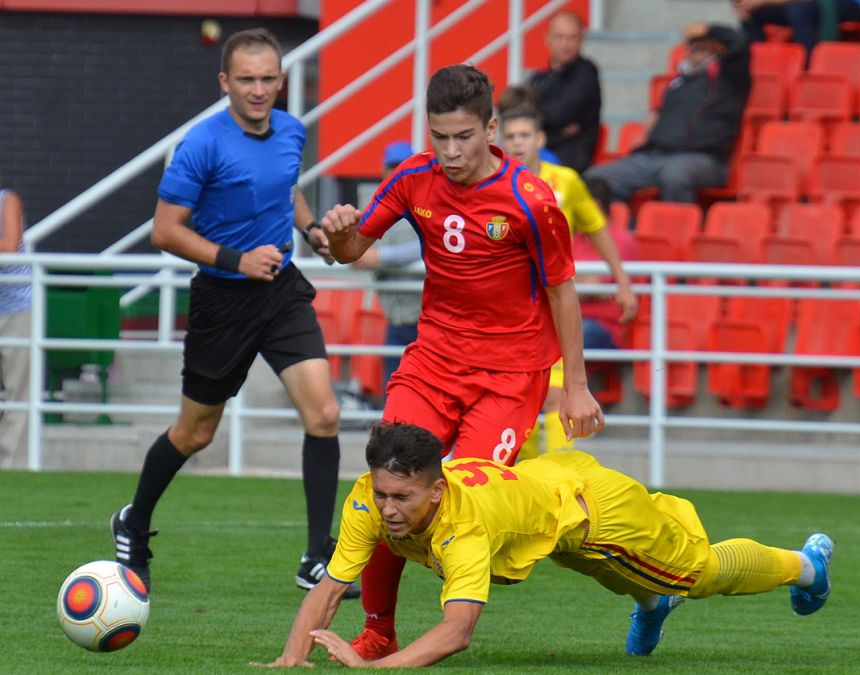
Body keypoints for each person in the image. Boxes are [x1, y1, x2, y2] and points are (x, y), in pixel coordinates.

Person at [318, 64, 605, 660]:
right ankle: (378, 631)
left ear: (490, 128)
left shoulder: (531, 200)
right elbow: (351, 252)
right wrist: (339, 232)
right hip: (434, 362)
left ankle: (622, 574)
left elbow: (563, 290)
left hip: (509, 377)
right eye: (439, 136)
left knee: (466, 505)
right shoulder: (413, 178)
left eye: (463, 137)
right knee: (391, 486)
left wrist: (575, 387)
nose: (449, 152)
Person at [108, 28, 357, 599]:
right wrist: (236, 259)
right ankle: (133, 521)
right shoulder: (202, 144)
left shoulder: (292, 131)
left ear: (282, 79)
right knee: (196, 432)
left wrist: (312, 228)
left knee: (324, 414)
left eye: (268, 78)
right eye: (246, 79)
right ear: (225, 82)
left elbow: (285, 190)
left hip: (281, 290)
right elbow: (165, 231)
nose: (258, 89)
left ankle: (316, 559)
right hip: (223, 299)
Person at [263, 422, 835, 667]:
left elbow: (457, 632)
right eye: (383, 493)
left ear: (437, 489)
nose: (389, 508)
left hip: (594, 511)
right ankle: (652, 603)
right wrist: (292, 656)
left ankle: (803, 566)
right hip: (547, 506)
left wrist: (376, 670)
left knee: (698, 575)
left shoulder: (463, 528)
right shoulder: (366, 496)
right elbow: (332, 586)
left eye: (403, 497)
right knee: (607, 575)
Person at [498, 104, 637, 458]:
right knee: (520, 403)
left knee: (558, 394)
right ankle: (524, 484)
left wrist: (622, 281)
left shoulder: (567, 181)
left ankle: (565, 484)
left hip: (556, 305)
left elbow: (597, 227)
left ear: (540, 139)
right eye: (510, 136)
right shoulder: (493, 183)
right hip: (509, 310)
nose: (517, 143)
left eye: (524, 135)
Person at [584, 22, 750, 205]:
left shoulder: (727, 79)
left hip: (703, 158)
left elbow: (740, 43)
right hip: (654, 155)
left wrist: (708, 30)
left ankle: (677, 230)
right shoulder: (678, 83)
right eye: (694, 44)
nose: (697, 49)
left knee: (674, 174)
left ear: (716, 49)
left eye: (704, 45)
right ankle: (622, 228)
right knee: (597, 178)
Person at [350, 141, 424, 394]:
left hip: (427, 320)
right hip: (394, 318)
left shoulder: (426, 202)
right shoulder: (378, 205)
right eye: (391, 167)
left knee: (428, 397)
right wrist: (353, 252)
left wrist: (380, 257)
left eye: (402, 166)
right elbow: (358, 249)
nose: (396, 173)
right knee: (394, 396)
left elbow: (426, 249)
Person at [528, 10, 602, 174]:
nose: (565, 44)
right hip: (541, 150)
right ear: (547, 38)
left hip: (570, 158)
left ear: (581, 40)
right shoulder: (539, 78)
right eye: (559, 37)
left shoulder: (587, 73)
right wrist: (558, 131)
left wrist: (540, 120)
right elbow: (518, 110)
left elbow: (558, 114)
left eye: (572, 37)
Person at [0, 183, 30, 468]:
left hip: (16, 309)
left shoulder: (7, 199)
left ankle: (13, 468)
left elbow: (9, 246)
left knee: (19, 392)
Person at [733, 0, 860, 50]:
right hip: (800, 5)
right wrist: (742, 6)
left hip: (849, 5)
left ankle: (805, 69)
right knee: (753, 13)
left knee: (800, 11)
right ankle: (755, 63)